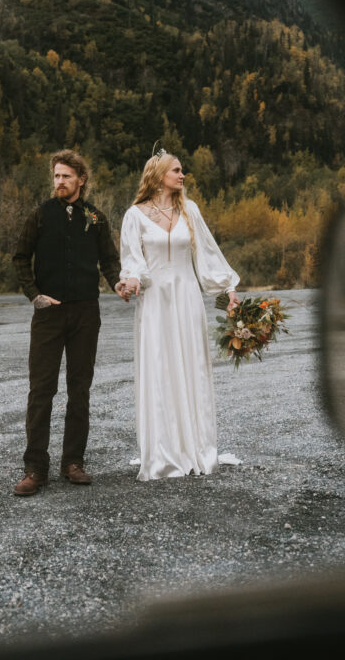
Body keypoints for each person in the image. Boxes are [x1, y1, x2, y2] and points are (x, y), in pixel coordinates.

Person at [119, 148, 240, 481]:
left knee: (191, 367)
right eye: (176, 170)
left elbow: (208, 253)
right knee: (160, 368)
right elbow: (133, 261)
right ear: (158, 176)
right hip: (155, 301)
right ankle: (163, 452)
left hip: (187, 298)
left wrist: (228, 288)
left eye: (182, 170)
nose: (182, 175)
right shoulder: (135, 215)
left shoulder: (190, 210)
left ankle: (196, 447)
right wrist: (130, 280)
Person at [12, 149, 127, 496]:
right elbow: (20, 257)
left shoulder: (96, 217)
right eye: (56, 176)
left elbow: (109, 260)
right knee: (41, 390)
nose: (59, 182)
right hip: (48, 314)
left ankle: (73, 462)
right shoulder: (40, 215)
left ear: (81, 180)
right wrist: (35, 295)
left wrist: (118, 283)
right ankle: (35, 468)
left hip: (85, 314)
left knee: (80, 390)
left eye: (65, 176)